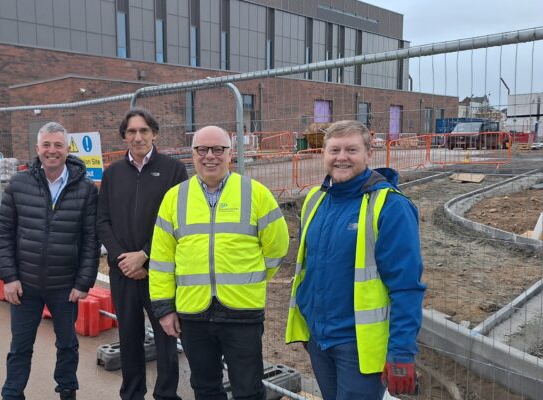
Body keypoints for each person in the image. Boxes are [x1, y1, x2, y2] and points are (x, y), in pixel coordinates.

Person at [284, 120, 426, 399]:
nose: (341, 157)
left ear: (368, 154)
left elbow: (406, 286)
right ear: (322, 154)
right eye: (334, 150)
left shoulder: (390, 206)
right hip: (319, 340)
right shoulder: (315, 199)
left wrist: (401, 351)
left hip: (358, 346)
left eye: (351, 149)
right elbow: (310, 269)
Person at [149, 125, 290, 400]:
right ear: (192, 154)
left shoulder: (255, 193)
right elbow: (162, 259)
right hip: (193, 313)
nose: (209, 156)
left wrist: (253, 279)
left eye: (218, 149)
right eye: (202, 149)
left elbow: (277, 248)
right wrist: (165, 308)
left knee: (249, 390)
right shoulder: (174, 198)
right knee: (205, 389)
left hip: (242, 312)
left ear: (231, 154)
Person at [0, 122, 100, 400]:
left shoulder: (86, 190)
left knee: (67, 345)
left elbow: (91, 240)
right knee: (20, 346)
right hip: (25, 285)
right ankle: (12, 393)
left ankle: (67, 391)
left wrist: (83, 283)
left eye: (58, 145)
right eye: (46, 145)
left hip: (65, 287)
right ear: (37, 148)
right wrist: (9, 277)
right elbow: (3, 233)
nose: (51, 151)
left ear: (67, 149)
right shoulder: (19, 184)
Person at [97, 108, 188, 400]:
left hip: (159, 271)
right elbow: (102, 221)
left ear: (154, 134)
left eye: (144, 131)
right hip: (123, 271)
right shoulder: (112, 174)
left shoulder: (173, 169)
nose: (138, 137)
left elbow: (178, 221)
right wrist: (123, 258)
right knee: (129, 338)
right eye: (132, 131)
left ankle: (166, 395)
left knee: (166, 337)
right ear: (125, 136)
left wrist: (145, 255)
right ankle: (132, 394)